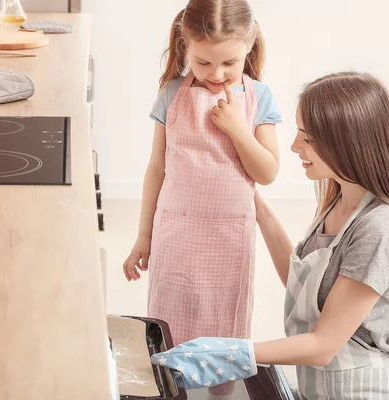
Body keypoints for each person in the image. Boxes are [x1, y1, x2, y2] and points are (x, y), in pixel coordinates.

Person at [152, 71, 389, 399]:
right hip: (321, 389)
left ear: (348, 142)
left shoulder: (379, 229)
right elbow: (301, 281)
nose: (295, 147)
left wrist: (233, 353)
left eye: (308, 138)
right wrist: (244, 195)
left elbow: (323, 346)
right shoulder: (339, 204)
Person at [123, 1, 282, 398]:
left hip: (230, 237)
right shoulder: (171, 94)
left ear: (249, 45)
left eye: (229, 62)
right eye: (203, 63)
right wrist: (145, 235)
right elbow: (156, 170)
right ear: (185, 48)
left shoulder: (259, 97)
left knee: (224, 326)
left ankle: (220, 393)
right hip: (176, 231)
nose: (217, 74)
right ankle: (172, 388)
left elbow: (267, 172)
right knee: (171, 321)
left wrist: (236, 129)